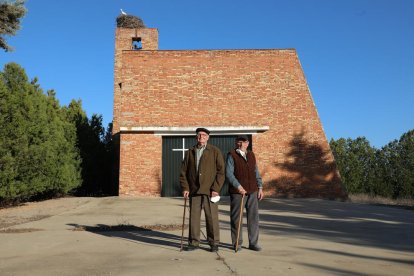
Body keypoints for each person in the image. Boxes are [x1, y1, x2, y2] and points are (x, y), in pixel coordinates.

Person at [180, 127, 225, 252]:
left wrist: (216, 188)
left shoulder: (215, 151)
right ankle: (194, 242)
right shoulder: (190, 152)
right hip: (194, 191)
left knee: (212, 218)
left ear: (208, 137)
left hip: (211, 191)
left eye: (204, 135)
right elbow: (183, 172)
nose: (201, 137)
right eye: (199, 135)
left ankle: (214, 243)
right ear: (196, 137)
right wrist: (185, 187)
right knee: (194, 218)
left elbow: (221, 172)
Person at [226, 135, 264, 251]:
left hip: (252, 191)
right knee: (237, 219)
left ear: (247, 143)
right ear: (236, 143)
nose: (241, 144)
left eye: (243, 142)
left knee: (253, 218)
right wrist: (238, 186)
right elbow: (229, 173)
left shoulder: (251, 155)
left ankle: (253, 243)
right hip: (238, 193)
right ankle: (237, 243)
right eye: (238, 142)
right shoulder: (231, 155)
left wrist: (260, 187)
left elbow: (256, 172)